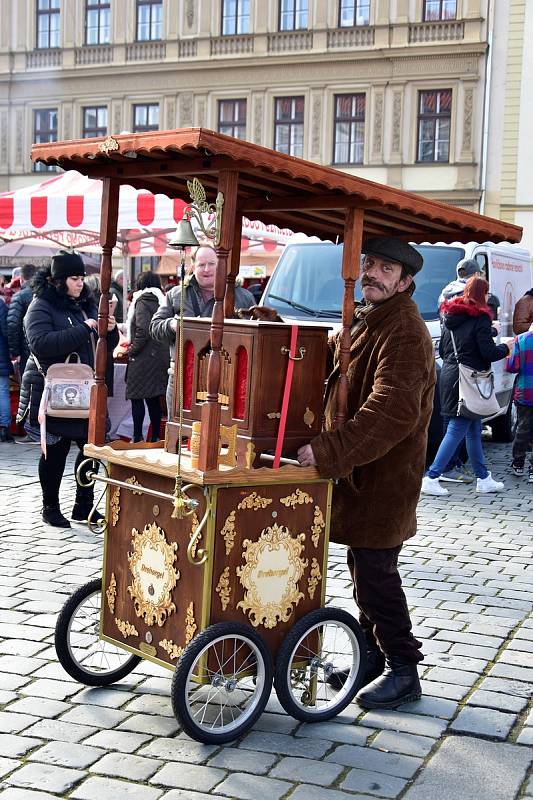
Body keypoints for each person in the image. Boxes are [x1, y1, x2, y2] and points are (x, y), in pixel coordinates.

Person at [296, 236, 436, 710]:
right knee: (363, 567)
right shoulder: (366, 319)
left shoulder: (405, 331)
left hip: (385, 479)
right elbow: (331, 363)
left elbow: (391, 412)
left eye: (386, 269)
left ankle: (403, 667)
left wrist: (329, 451)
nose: (373, 274)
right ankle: (372, 656)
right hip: (361, 476)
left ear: (406, 281)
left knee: (377, 572)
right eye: (369, 263)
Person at [17, 252, 119, 527]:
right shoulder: (40, 306)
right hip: (52, 392)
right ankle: (50, 507)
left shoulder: (85, 304)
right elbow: (41, 344)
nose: (80, 284)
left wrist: (110, 331)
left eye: (82, 278)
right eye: (75, 279)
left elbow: (102, 346)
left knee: (89, 450)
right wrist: (85, 328)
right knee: (55, 452)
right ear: (57, 281)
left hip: (85, 391)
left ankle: (83, 506)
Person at [421, 276, 511, 497]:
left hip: (451, 375)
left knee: (473, 430)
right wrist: (507, 348)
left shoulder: (450, 317)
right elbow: (488, 352)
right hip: (469, 380)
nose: (489, 297)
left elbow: (445, 350)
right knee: (457, 428)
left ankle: (483, 478)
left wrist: (490, 332)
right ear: (482, 295)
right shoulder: (480, 318)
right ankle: (432, 477)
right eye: (487, 293)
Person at [150, 243, 255, 412]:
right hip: (182, 379)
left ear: (222, 265)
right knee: (180, 436)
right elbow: (154, 327)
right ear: (193, 266)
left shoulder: (243, 297)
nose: (206, 269)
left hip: (227, 383)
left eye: (212, 264)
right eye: (201, 264)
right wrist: (171, 324)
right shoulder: (176, 294)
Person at [125, 271, 169, 442]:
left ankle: (137, 437)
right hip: (159, 357)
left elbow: (143, 329)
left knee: (137, 398)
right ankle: (156, 436)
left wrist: (132, 350)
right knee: (153, 399)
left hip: (142, 358)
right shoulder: (162, 301)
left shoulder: (142, 301)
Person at [506, 324, 533, 482]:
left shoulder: (521, 340)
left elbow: (512, 367)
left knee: (523, 428)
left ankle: (518, 463)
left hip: (525, 392)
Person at [7, 263, 36, 378]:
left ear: (21, 279)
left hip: (26, 351)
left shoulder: (19, 296)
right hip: (46, 348)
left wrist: (15, 353)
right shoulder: (47, 294)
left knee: (28, 388)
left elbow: (13, 325)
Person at [0, 296, 14, 442]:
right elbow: (6, 330)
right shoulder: (1, 304)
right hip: (1, 355)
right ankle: (4, 428)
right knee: (3, 392)